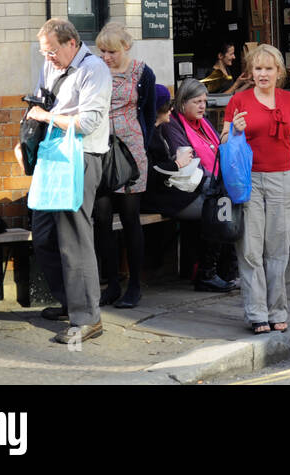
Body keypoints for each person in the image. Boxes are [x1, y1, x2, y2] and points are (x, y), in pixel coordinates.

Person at [21, 18, 112, 344]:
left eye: (52, 51)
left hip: (81, 157)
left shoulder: (95, 70)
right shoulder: (53, 66)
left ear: (71, 42)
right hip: (52, 155)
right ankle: (68, 302)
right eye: (45, 53)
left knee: (74, 238)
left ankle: (88, 318)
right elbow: (41, 101)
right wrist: (26, 139)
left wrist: (47, 118)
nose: (48, 59)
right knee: (43, 233)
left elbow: (87, 122)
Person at [222, 44, 290, 334]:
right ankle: (256, 312)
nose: (263, 74)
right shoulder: (238, 100)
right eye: (258, 68)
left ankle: (277, 311)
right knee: (250, 250)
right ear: (251, 72)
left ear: (278, 72)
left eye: (268, 69)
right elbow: (223, 143)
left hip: (282, 179)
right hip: (247, 182)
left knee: (278, 251)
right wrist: (234, 130)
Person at [145, 79, 237, 292]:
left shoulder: (191, 125)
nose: (203, 106)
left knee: (224, 203)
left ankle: (225, 270)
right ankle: (208, 273)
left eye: (204, 101)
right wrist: (177, 163)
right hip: (165, 192)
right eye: (197, 101)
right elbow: (155, 171)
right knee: (217, 209)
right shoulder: (159, 129)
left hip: (180, 187)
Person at [91, 22, 156, 309]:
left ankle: (135, 286)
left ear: (125, 48)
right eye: (102, 51)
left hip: (131, 150)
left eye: (111, 52)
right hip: (101, 149)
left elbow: (150, 111)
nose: (106, 57)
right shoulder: (94, 72)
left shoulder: (143, 73)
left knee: (131, 220)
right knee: (102, 219)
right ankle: (111, 283)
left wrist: (141, 142)